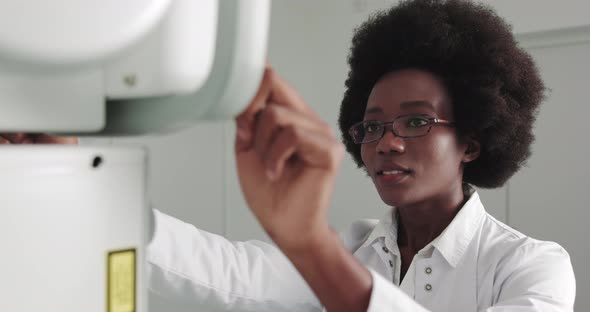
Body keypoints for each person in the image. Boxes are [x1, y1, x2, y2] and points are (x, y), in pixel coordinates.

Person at [3, 0, 576, 311]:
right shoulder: (346, 248)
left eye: (417, 121)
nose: (387, 142)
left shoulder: (530, 267)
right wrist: (74, 176)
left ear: (472, 140)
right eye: (370, 126)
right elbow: (214, 270)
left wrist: (311, 247)